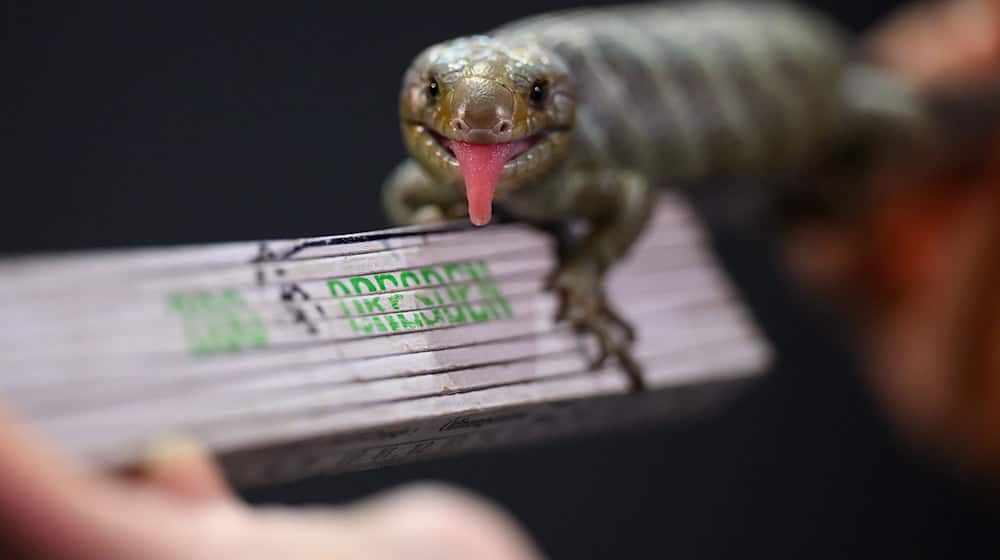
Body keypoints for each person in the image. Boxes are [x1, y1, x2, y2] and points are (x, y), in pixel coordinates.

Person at [1, 0, 997, 557]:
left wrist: (585, 274)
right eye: (440, 103)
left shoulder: (594, 161)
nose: (477, 125)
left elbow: (617, 202)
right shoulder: (471, 146)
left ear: (552, 107)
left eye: (519, 107)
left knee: (900, 125)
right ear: (413, 100)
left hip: (802, 83)